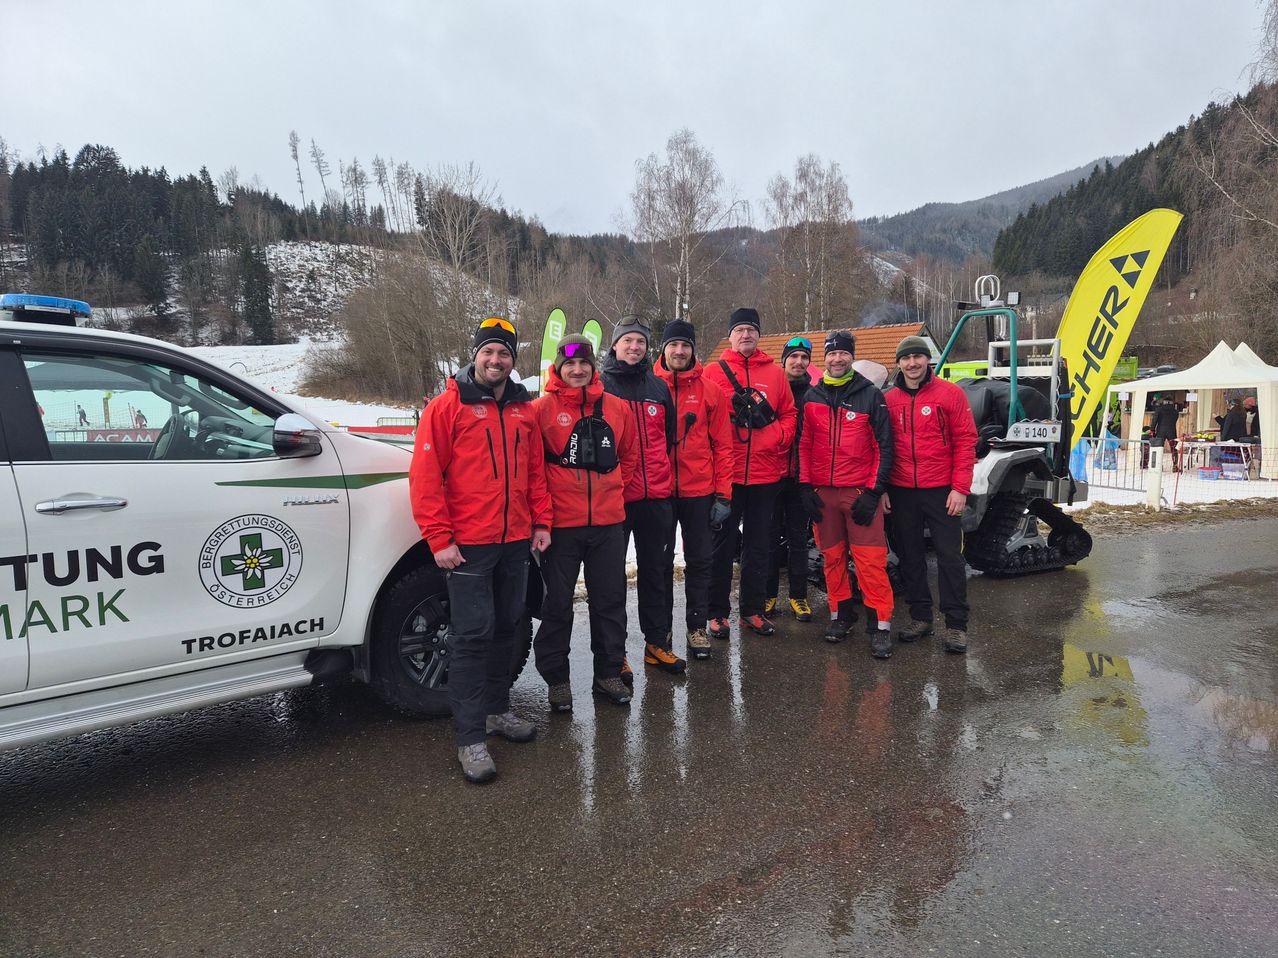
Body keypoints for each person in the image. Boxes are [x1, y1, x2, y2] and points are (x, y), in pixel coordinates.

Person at [409, 316, 552, 784]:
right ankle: (470, 738)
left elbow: (535, 474)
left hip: (515, 541)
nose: (496, 360)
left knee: (509, 629)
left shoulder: (523, 409)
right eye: (489, 351)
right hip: (468, 545)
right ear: (475, 355)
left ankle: (496, 711)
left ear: (514, 361)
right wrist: (439, 538)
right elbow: (426, 478)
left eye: (504, 354)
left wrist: (541, 522)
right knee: (471, 638)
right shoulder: (445, 407)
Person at [533, 335, 640, 711]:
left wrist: (612, 491)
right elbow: (534, 470)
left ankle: (608, 672)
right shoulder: (541, 410)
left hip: (608, 524)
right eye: (569, 364)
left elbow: (629, 457)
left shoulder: (616, 407)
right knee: (557, 604)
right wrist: (542, 520)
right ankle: (557, 679)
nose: (577, 371)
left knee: (610, 601)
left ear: (594, 367)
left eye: (584, 364)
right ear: (559, 367)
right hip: (561, 525)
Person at [799, 330, 896, 657]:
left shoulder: (871, 395)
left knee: (870, 562)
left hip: (858, 493)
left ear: (852, 357)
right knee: (832, 558)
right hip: (823, 494)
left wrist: (873, 491)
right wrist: (805, 486)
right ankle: (841, 615)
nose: (837, 359)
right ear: (823, 358)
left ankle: (880, 624)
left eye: (843, 353)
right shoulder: (812, 396)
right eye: (832, 354)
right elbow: (804, 445)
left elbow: (884, 447)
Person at [704, 307, 798, 637]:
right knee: (721, 547)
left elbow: (790, 415)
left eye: (751, 330)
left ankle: (752, 610)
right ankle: (716, 613)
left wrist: (776, 436)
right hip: (726, 477)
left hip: (764, 475)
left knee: (759, 547)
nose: (746, 335)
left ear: (759, 335)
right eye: (740, 329)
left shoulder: (775, 374)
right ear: (730, 335)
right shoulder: (712, 372)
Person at [600, 316, 685, 676]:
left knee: (656, 574)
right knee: (612, 581)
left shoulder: (658, 387)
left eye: (640, 342)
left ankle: (657, 644)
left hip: (656, 498)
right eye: (627, 341)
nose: (634, 347)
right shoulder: (600, 386)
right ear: (615, 345)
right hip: (616, 500)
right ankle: (614, 655)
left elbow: (667, 438)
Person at [885, 335, 979, 655]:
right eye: (906, 358)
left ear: (928, 360)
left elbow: (966, 442)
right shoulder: (889, 399)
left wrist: (960, 488)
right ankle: (920, 617)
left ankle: (955, 625)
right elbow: (881, 447)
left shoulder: (949, 394)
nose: (912, 363)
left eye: (918, 357)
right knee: (910, 556)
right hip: (901, 491)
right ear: (898, 363)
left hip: (942, 490)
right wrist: (883, 489)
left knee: (950, 557)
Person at [654, 318, 735, 660]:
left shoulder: (710, 391)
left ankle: (697, 626)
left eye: (685, 345)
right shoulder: (649, 386)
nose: (679, 351)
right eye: (673, 345)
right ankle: (661, 630)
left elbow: (724, 446)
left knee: (701, 561)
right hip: (657, 491)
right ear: (664, 348)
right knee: (657, 563)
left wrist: (723, 493)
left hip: (699, 491)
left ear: (692, 349)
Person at [766, 336, 815, 622]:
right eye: (793, 357)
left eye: (803, 358)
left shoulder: (813, 394)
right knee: (769, 537)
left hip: (800, 477)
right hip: (771, 475)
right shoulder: (773, 389)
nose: (798, 362)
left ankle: (798, 596)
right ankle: (768, 593)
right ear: (784, 360)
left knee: (798, 538)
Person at [1150, 396, 1182, 471]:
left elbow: (1154, 420)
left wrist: (1152, 430)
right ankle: (1175, 466)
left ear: (1164, 402)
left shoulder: (1159, 409)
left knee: (1159, 448)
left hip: (1160, 431)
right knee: (1174, 449)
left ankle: (1159, 466)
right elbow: (1175, 420)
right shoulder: (1175, 411)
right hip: (1172, 431)